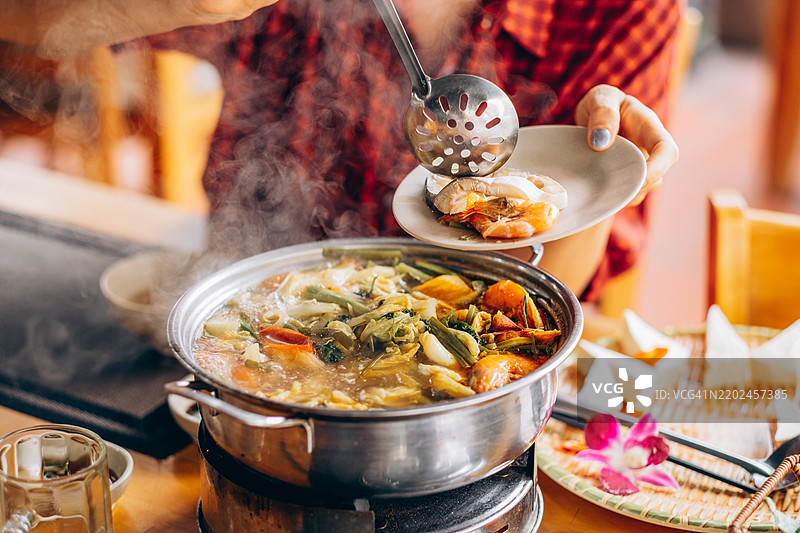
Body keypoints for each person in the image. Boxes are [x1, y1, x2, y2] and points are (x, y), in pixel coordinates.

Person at [1, 0, 680, 303]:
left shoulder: (624, 8)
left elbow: (551, 297)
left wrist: (595, 176)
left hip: (466, 387)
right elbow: (28, 26)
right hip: (246, 327)